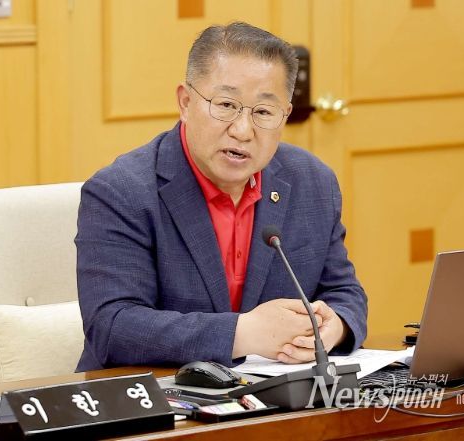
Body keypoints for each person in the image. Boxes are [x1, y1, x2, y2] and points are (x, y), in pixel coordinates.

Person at [76, 22, 367, 371]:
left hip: (276, 394)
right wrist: (244, 333)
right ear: (185, 102)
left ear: (285, 116)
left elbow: (344, 293)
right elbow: (113, 328)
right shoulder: (120, 192)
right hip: (155, 395)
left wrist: (334, 327)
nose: (242, 131)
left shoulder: (312, 182)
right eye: (226, 105)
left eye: (263, 112)